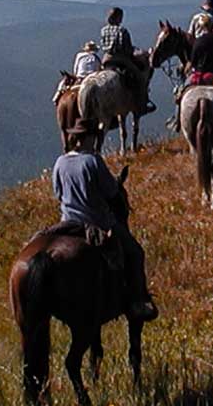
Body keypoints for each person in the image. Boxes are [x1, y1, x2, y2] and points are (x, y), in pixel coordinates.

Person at [51, 121, 157, 321]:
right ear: (89, 138)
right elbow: (111, 191)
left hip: (66, 222)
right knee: (135, 252)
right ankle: (138, 301)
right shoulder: (93, 161)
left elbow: (57, 193)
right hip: (95, 222)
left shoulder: (60, 162)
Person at [99, 7, 156, 114]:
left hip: (106, 59)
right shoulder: (122, 31)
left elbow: (103, 45)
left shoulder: (103, 30)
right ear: (119, 17)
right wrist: (140, 53)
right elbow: (127, 49)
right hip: (121, 59)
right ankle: (143, 103)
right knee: (139, 77)